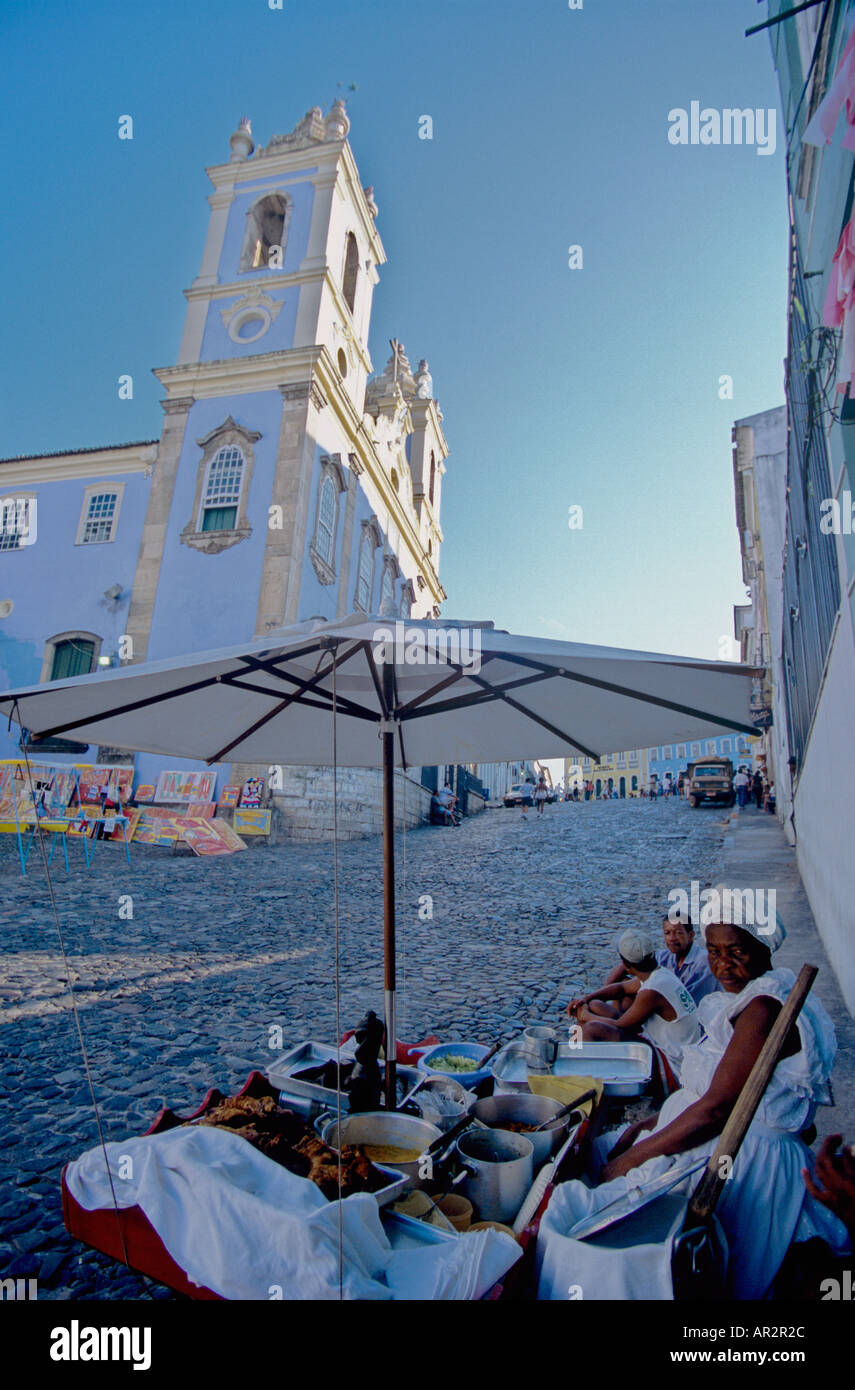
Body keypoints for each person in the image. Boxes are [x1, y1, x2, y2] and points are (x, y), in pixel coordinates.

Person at [593, 894, 847, 1299]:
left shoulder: (763, 1008)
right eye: (713, 951)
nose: (723, 964)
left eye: (737, 951)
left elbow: (715, 1111)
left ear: (764, 949)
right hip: (717, 1141)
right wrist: (648, 1124)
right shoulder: (750, 995)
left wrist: (629, 1160)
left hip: (741, 1161)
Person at [567, 929, 700, 1079]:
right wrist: (586, 999)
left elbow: (619, 1025)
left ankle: (585, 1077)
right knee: (595, 1004)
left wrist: (585, 1015)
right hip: (663, 1044)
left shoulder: (652, 991)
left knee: (590, 1029)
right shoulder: (660, 974)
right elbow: (621, 988)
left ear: (626, 965)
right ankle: (580, 1062)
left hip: (673, 1064)